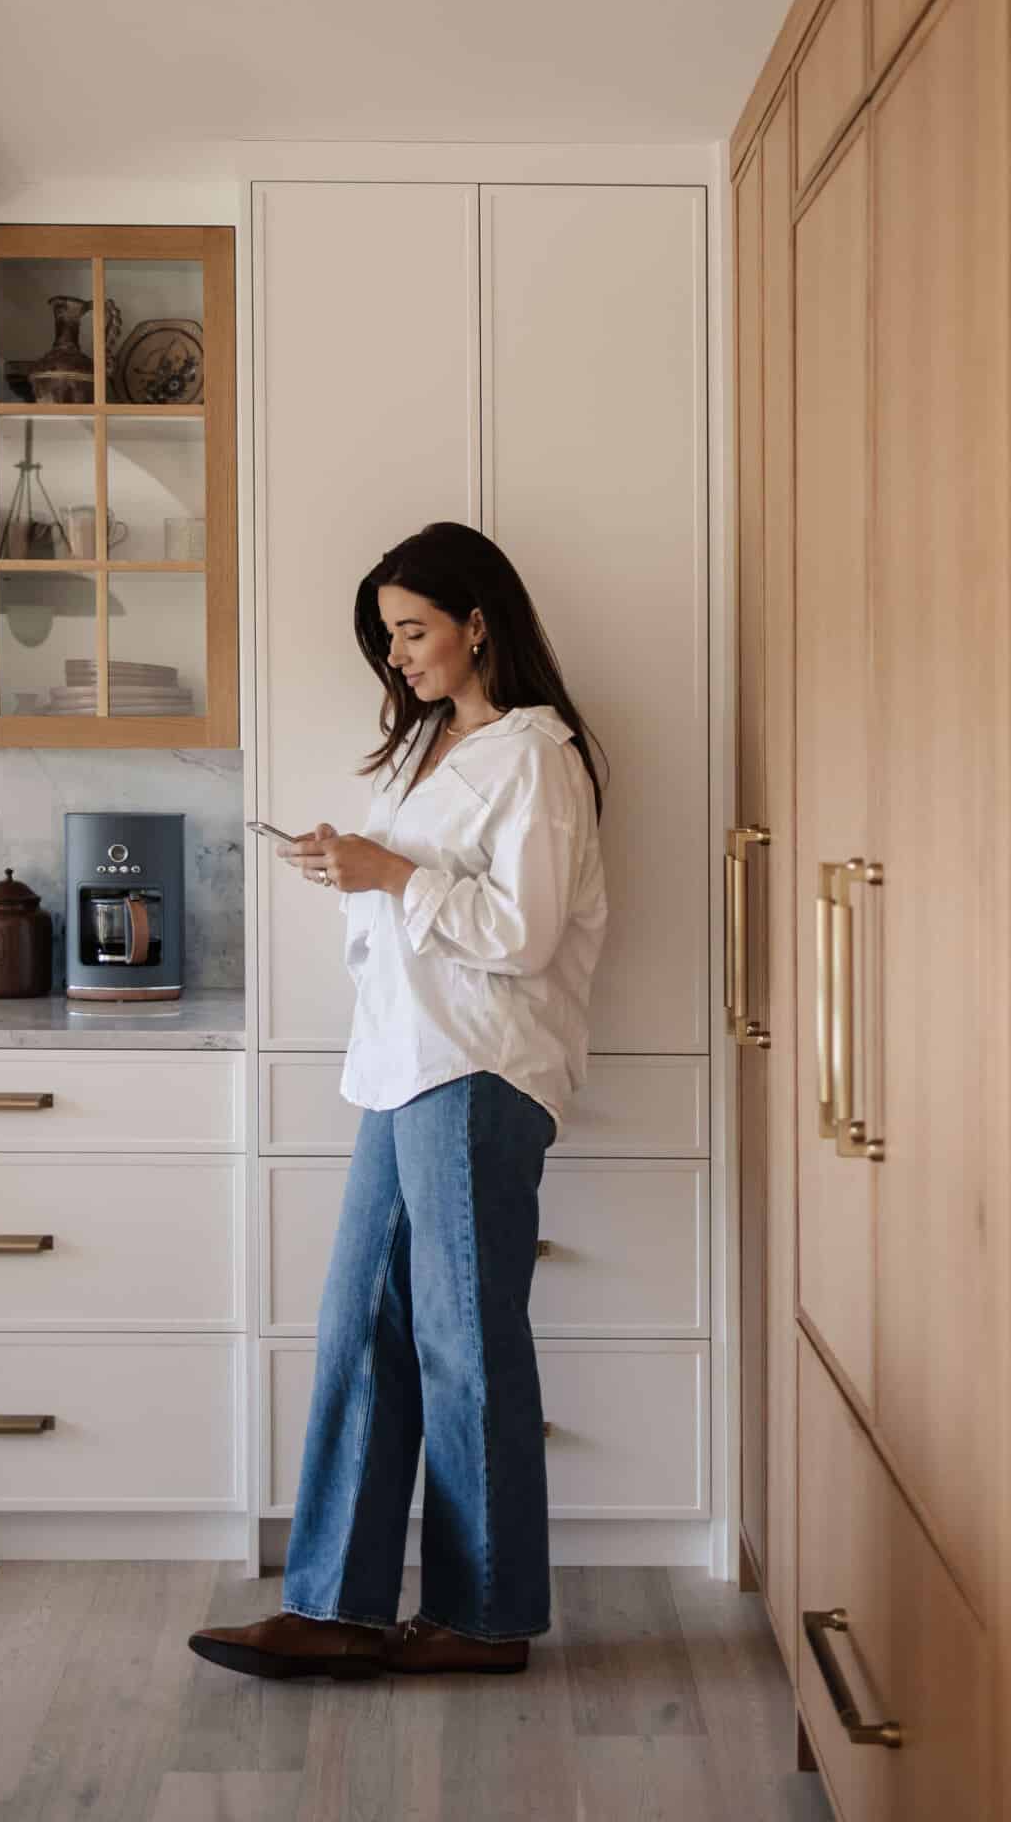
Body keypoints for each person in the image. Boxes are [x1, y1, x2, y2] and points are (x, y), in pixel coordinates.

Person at [189, 521, 609, 1679]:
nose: (399, 656)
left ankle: (485, 1619)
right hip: (403, 1068)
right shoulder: (437, 751)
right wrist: (358, 866)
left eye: (414, 631)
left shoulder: (534, 755)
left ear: (481, 623)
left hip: (476, 1071)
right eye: (388, 638)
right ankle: (338, 1604)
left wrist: (391, 873)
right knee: (363, 1335)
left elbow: (522, 936)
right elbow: (426, 907)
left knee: (464, 1345)